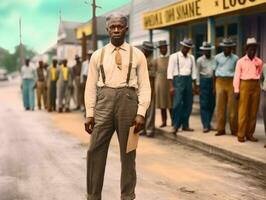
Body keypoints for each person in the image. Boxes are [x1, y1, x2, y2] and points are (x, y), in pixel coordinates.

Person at [84, 12, 151, 200]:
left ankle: (128, 196)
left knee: (128, 154)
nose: (116, 30)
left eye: (119, 26)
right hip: (103, 103)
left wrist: (141, 112)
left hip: (128, 104)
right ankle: (93, 196)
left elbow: (145, 86)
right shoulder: (98, 55)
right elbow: (90, 86)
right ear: (107, 29)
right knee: (94, 151)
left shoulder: (137, 55)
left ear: (126, 29)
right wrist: (90, 113)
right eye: (112, 27)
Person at [233, 38, 263, 143]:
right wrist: (236, 90)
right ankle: (241, 134)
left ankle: (250, 134)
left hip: (255, 86)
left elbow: (260, 74)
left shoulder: (259, 61)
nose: (252, 50)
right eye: (250, 48)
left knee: (253, 111)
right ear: (246, 49)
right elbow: (236, 76)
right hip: (244, 85)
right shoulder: (240, 61)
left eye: (254, 48)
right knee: (243, 111)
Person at [167, 38, 197, 134]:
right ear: (182, 46)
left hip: (188, 80)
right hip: (178, 80)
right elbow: (169, 72)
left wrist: (194, 86)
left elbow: (194, 73)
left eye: (188, 48)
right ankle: (175, 125)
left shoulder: (191, 58)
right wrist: (171, 86)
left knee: (188, 104)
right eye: (185, 47)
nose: (186, 49)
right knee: (177, 104)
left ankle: (185, 125)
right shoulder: (174, 56)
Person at [214, 38, 239, 136]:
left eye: (229, 47)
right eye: (225, 47)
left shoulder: (236, 58)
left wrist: (237, 87)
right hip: (220, 81)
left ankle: (234, 129)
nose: (227, 49)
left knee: (233, 108)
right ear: (223, 47)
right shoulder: (217, 57)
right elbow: (213, 72)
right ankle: (220, 129)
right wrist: (213, 86)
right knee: (220, 107)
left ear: (231, 47)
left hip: (231, 82)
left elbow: (237, 73)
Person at [196, 41, 216, 133]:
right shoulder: (199, 60)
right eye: (205, 50)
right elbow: (197, 73)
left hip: (212, 81)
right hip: (203, 81)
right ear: (203, 51)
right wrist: (198, 86)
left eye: (208, 50)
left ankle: (209, 123)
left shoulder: (214, 59)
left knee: (212, 104)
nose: (207, 52)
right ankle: (205, 125)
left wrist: (215, 85)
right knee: (204, 104)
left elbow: (215, 72)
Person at [155, 40, 172, 127]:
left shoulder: (171, 58)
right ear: (159, 49)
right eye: (162, 48)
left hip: (169, 83)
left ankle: (173, 121)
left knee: (171, 103)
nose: (163, 49)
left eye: (165, 48)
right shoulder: (157, 60)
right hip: (160, 83)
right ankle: (164, 121)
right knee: (162, 103)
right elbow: (154, 72)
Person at [141, 41, 156, 137]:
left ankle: (149, 129)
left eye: (144, 50)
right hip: (141, 89)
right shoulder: (141, 59)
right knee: (142, 110)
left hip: (151, 88)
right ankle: (142, 128)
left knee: (150, 110)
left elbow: (153, 74)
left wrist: (143, 71)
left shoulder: (152, 61)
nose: (143, 51)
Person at [261, 63, 266, 147]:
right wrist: (262, 87)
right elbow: (261, 78)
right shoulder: (265, 66)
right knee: (265, 117)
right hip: (265, 93)